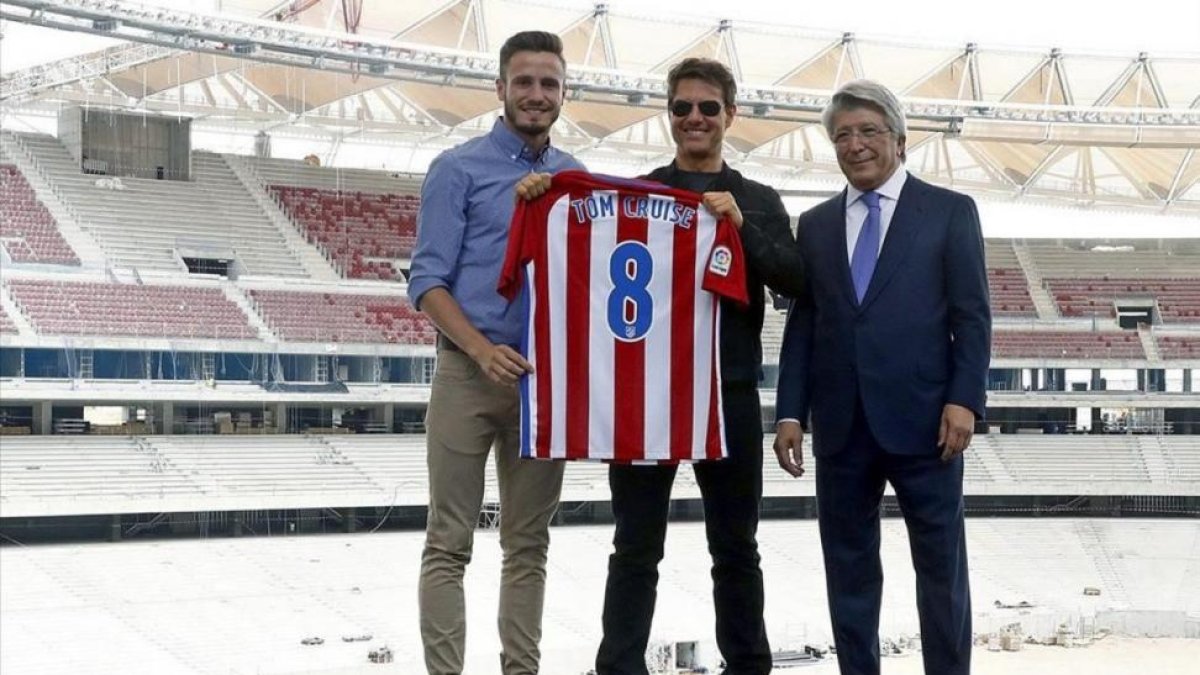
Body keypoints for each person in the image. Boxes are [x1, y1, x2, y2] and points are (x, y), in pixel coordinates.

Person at [520, 57, 805, 675]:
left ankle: (749, 666)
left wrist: (740, 226)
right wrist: (542, 198)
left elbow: (797, 279)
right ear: (668, 116)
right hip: (645, 390)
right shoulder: (637, 192)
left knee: (736, 548)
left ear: (730, 114)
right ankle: (619, 667)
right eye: (682, 108)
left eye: (707, 107)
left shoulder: (757, 199)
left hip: (726, 393)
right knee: (635, 545)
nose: (694, 118)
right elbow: (578, 242)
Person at [772, 79, 991, 675]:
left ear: (899, 139)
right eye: (842, 135)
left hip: (928, 424)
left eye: (868, 131)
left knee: (942, 571)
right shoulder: (814, 224)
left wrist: (964, 400)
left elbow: (972, 317)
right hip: (841, 427)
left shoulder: (949, 212)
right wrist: (790, 411)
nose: (855, 144)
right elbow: (804, 323)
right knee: (847, 571)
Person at [406, 30, 584, 675]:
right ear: (501, 87)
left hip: (545, 383)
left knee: (528, 545)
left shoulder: (576, 179)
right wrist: (481, 352)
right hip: (467, 373)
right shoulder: (457, 169)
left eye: (549, 83)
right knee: (448, 543)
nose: (537, 94)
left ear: (565, 92)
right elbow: (425, 281)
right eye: (525, 81)